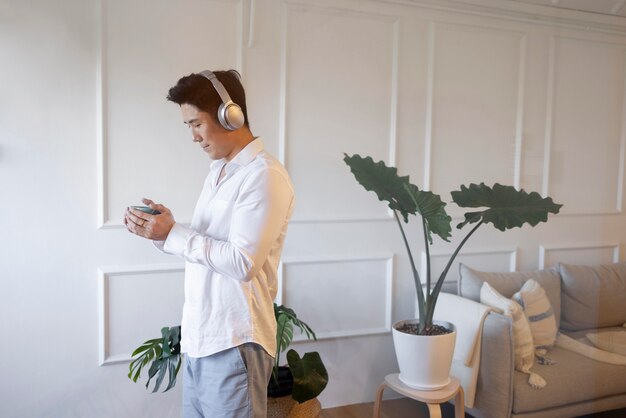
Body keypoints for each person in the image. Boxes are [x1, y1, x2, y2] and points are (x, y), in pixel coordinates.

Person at [124, 69, 295, 418]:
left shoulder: (264, 176)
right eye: (188, 126)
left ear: (230, 115)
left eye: (196, 123)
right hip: (201, 338)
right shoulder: (219, 171)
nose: (193, 136)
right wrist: (161, 232)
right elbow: (203, 247)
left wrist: (174, 233)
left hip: (234, 342)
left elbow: (242, 263)